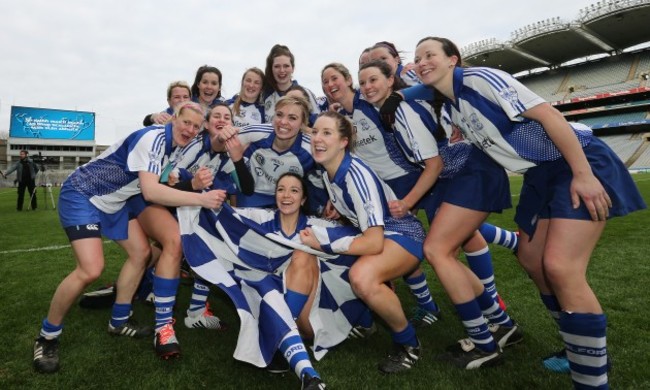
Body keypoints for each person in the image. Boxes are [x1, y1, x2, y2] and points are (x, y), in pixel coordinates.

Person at [405, 37, 645, 387]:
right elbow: (402, 94)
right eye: (416, 58)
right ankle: (578, 347)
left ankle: (592, 378)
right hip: (539, 175)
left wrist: (582, 173)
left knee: (561, 267)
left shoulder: (481, 79)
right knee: (532, 259)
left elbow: (547, 113)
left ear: (453, 60)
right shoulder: (452, 108)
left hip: (573, 162)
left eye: (430, 55)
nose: (421, 61)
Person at [32, 101, 227, 373]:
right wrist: (201, 198)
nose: (190, 129)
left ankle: (119, 320)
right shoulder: (153, 138)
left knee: (141, 254)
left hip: (115, 203)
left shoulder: (174, 147)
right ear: (173, 119)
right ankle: (47, 336)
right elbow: (150, 192)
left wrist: (189, 180)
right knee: (91, 269)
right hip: (83, 194)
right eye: (186, 122)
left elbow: (162, 180)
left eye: (196, 126)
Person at [303, 111, 426, 374]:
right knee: (317, 244)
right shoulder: (329, 170)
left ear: (344, 141)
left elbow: (373, 243)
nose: (317, 138)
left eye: (327, 133)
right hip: (381, 233)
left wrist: (325, 244)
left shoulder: (354, 174)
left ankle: (409, 344)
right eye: (315, 132)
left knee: (362, 276)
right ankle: (364, 318)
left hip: (402, 234)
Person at [321, 62, 441, 328]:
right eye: (325, 81)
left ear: (348, 79)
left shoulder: (371, 103)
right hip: (380, 188)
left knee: (442, 246)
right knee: (400, 248)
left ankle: (483, 306)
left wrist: (444, 129)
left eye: (335, 78)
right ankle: (426, 305)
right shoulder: (341, 118)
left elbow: (427, 94)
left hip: (409, 180)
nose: (330, 85)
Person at [262, 44, 321, 122]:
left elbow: (317, 123)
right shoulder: (264, 95)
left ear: (292, 68)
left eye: (286, 66)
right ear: (271, 69)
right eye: (277, 66)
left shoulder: (305, 93)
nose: (282, 70)